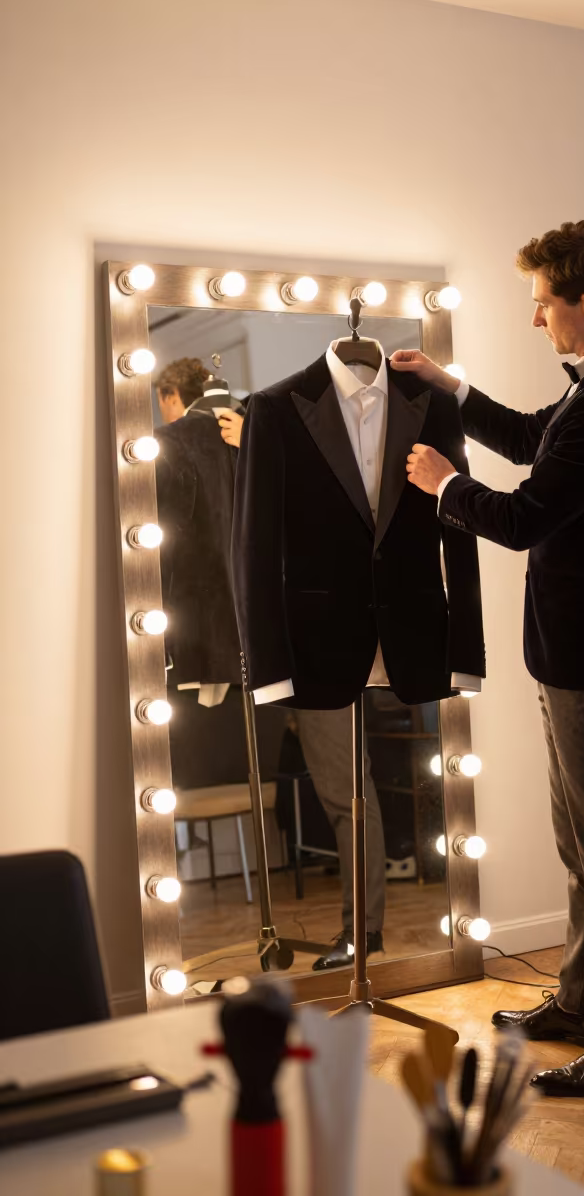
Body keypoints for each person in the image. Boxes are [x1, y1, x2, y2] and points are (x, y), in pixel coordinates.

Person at [393, 221, 584, 1098]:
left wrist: (445, 485)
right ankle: (583, 1006)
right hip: (571, 653)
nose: (535, 320)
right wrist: (450, 384)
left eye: (541, 305)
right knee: (580, 846)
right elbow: (524, 439)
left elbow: (522, 518)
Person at [154, 359, 387, 970]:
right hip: (250, 647)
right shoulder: (232, 431)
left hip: (307, 643)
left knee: (344, 789)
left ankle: (364, 932)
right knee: (340, 788)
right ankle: (357, 929)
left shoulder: (283, 427)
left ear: (170, 396)